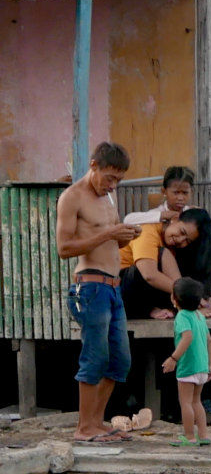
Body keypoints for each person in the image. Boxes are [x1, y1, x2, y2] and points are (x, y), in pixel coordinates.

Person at [55, 142, 139, 443]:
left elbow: (110, 242)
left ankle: (96, 422)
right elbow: (64, 248)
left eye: (118, 180)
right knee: (95, 356)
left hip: (114, 288)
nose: (112, 185)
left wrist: (126, 236)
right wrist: (108, 233)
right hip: (89, 287)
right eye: (108, 178)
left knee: (120, 361)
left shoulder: (108, 198)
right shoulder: (72, 198)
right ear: (93, 166)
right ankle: (84, 428)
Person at [160, 278, 211, 446]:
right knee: (197, 401)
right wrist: (209, 364)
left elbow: (187, 337)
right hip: (202, 367)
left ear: (175, 299)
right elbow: (209, 341)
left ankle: (189, 437)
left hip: (188, 366)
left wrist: (173, 358)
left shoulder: (182, 316)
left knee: (186, 403)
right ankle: (203, 436)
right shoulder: (200, 316)